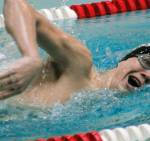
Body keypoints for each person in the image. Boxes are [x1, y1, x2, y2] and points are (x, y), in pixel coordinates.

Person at [1, 0, 150, 107]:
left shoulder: (92, 107)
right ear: (127, 58)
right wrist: (30, 56)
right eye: (147, 62)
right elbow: (16, 4)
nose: (147, 75)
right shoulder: (79, 64)